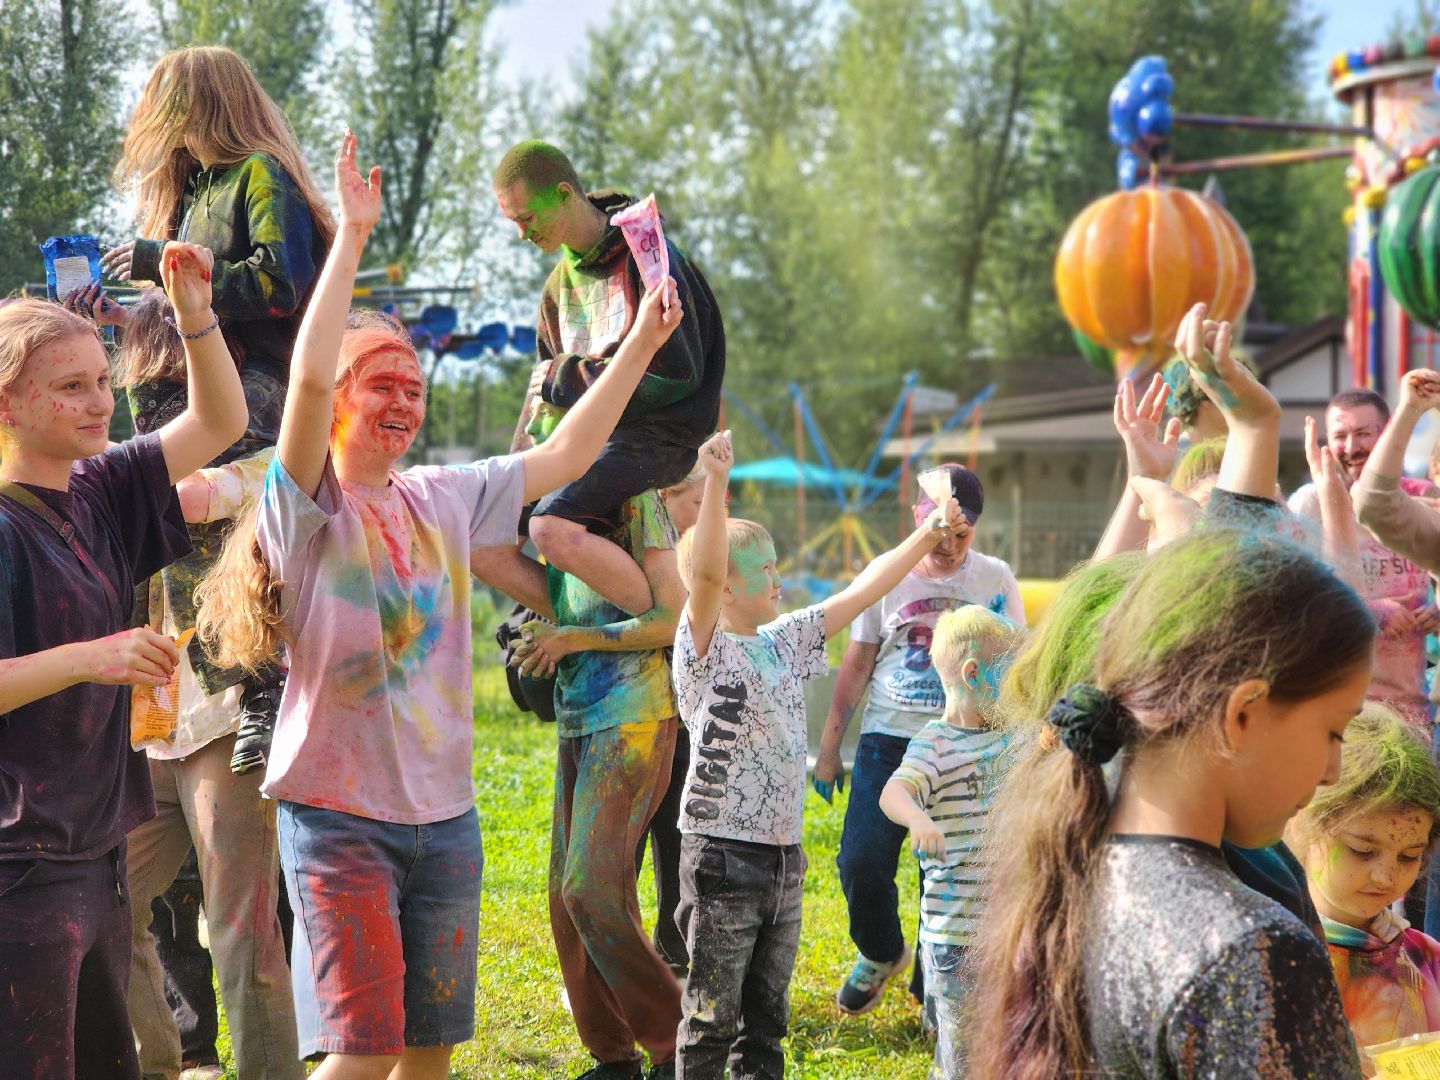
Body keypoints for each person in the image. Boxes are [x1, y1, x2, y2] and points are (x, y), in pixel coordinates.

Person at [193, 131, 683, 1080]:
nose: (404, 402)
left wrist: (642, 346)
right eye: (383, 383)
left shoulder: (444, 500)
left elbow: (567, 455)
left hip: (446, 819)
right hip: (339, 817)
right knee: (363, 1057)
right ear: (340, 401)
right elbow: (302, 375)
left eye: (415, 389)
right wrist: (352, 241)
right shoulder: (308, 511)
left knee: (428, 1056)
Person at [0, 246, 248, 1080]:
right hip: (19, 866)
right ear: (6, 403)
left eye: (103, 380)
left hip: (96, 845)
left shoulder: (98, 486)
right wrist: (89, 657)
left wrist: (195, 314)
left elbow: (219, 424)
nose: (100, 400)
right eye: (70, 386)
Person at [672, 430, 966, 1079]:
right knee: (713, 1016)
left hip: (782, 857)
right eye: (766, 570)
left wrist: (925, 537)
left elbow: (862, 591)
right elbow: (709, 571)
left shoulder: (784, 640)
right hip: (721, 856)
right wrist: (717, 483)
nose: (779, 578)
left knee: (767, 1018)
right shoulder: (700, 648)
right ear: (722, 588)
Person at [105, 42, 333, 779]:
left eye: (164, 99)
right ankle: (175, 692)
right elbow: (183, 305)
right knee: (158, 521)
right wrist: (115, 313)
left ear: (200, 101)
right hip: (193, 382)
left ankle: (261, 682)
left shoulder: (258, 176)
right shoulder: (197, 185)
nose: (151, 116)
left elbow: (279, 284)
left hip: (262, 384)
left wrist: (162, 261)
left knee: (222, 526)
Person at [110, 290, 302, 1080]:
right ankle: (155, 1064)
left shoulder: (273, 457)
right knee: (105, 900)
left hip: (231, 716)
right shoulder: (132, 456)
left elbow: (191, 490)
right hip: (153, 720)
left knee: (243, 930)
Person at [812, 463, 1024, 1016]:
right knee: (861, 862)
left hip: (967, 742)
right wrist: (831, 747)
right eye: (939, 529)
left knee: (957, 871)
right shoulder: (889, 571)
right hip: (890, 737)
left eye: (962, 534)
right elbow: (856, 664)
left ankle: (935, 982)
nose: (950, 545)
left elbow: (1015, 661)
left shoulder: (995, 578)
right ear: (917, 517)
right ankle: (883, 953)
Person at [491, 140, 725, 619]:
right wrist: (516, 481)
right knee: (488, 537)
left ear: (562, 193)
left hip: (658, 438)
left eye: (527, 219)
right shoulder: (557, 288)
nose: (522, 235)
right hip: (587, 443)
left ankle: (662, 623)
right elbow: (544, 396)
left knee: (550, 525)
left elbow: (675, 371)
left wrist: (569, 379)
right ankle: (562, 621)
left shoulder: (646, 252)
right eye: (513, 223)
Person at [879, 607, 1022, 1080]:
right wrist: (918, 819)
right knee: (962, 1059)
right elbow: (893, 792)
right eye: (1010, 672)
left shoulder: (1012, 735)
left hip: (1008, 934)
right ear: (975, 674)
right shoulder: (934, 744)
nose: (1017, 683)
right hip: (955, 940)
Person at [1287, 706, 1440, 1047]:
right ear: (1301, 824)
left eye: (1409, 856)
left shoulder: (1423, 958)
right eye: (1362, 850)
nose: (1387, 876)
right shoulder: (1277, 957)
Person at [1289, 387, 1438, 730]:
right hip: (1347, 712)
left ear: (1387, 437)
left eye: (1362, 434)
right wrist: (1368, 609)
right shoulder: (1309, 505)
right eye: (1340, 436)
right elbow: (1293, 601)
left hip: (1415, 711)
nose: (1351, 448)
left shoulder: (1420, 501)